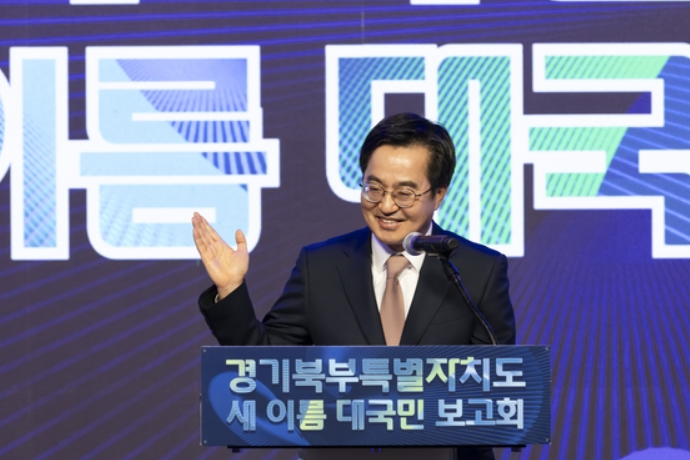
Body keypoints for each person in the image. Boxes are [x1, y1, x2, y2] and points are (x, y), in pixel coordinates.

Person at [192, 112, 515, 459]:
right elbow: (264, 366)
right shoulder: (321, 266)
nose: (386, 206)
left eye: (404, 193)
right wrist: (231, 289)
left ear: (438, 195)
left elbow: (497, 389)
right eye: (373, 188)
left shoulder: (478, 269)